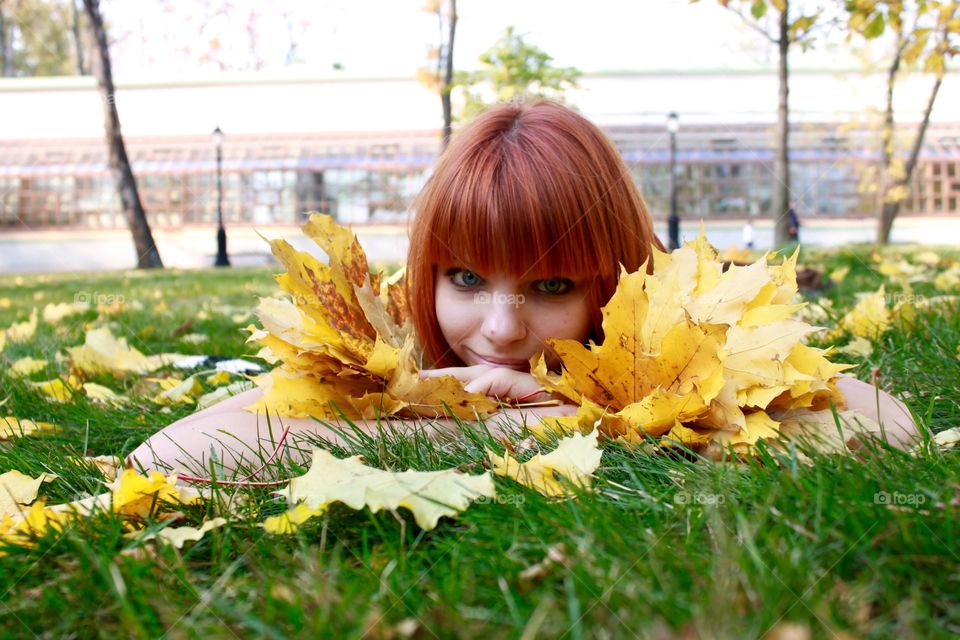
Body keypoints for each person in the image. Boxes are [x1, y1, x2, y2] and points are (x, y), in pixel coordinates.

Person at [129, 101, 919, 473]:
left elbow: (887, 427)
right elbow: (166, 454)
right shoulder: (392, 346)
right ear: (429, 272)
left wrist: (595, 415)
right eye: (467, 278)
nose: (502, 330)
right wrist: (452, 430)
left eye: (549, 284)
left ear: (611, 285)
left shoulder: (671, 347)